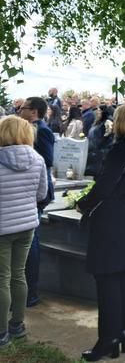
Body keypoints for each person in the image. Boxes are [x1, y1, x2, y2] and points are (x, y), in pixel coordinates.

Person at [76, 104, 125, 360]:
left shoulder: (122, 148)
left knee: (107, 279)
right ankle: (121, 333)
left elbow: (105, 184)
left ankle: (107, 340)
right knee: (119, 278)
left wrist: (83, 204)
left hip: (113, 217)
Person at [0, 117, 47, 348]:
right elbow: (42, 194)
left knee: (1, 279)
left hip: (2, 228)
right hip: (27, 225)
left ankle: (1, 335)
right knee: (18, 275)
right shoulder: (37, 159)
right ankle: (17, 326)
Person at [18, 97, 54, 308]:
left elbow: (48, 160)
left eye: (23, 108)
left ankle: (31, 292)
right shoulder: (27, 127)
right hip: (27, 188)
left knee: (31, 242)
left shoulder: (43, 130)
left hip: (36, 189)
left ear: (34, 112)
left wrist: (27, 159)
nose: (19, 111)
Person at [85, 105, 115, 177]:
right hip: (93, 152)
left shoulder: (107, 123)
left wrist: (98, 149)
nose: (97, 112)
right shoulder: (97, 122)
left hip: (100, 153)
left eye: (99, 110)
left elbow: (107, 138)